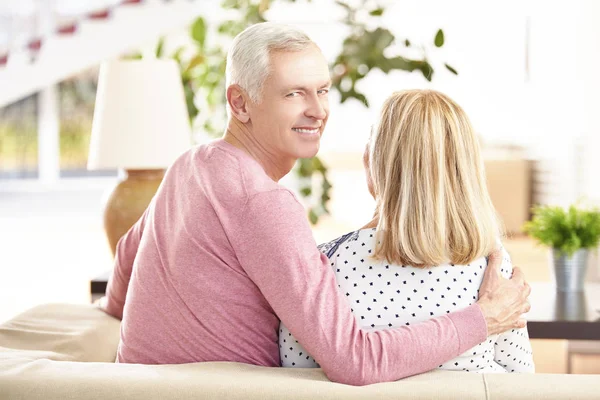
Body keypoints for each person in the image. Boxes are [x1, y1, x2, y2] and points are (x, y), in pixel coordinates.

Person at [101, 22, 531, 386]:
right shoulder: (264, 203)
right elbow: (354, 360)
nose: (318, 111)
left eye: (322, 90)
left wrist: (122, 324)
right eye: (294, 94)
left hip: (135, 387)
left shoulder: (190, 164)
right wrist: (483, 319)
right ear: (239, 103)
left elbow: (125, 260)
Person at [279, 90, 535, 373]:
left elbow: (297, 374)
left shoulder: (325, 265)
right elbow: (520, 379)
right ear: (468, 171)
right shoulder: (492, 267)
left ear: (371, 162)